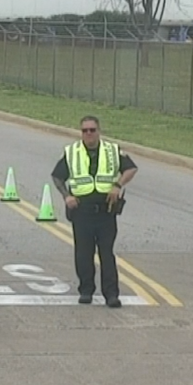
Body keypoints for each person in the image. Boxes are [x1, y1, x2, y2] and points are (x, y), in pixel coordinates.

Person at [51, 115, 138, 308]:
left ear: (99, 131)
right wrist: (66, 196)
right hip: (82, 211)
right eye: (85, 131)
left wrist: (117, 185)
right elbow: (57, 176)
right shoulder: (72, 152)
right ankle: (86, 290)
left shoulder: (111, 151)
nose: (88, 134)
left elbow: (131, 168)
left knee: (107, 253)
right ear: (81, 132)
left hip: (106, 211)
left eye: (92, 130)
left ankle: (111, 295)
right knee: (84, 253)